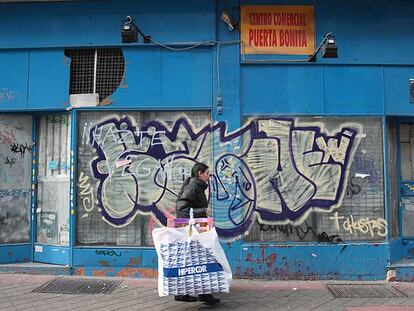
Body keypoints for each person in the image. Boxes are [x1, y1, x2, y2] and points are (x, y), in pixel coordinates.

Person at [174, 162, 221, 305]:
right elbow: (181, 208)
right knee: (202, 259)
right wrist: (201, 212)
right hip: (193, 231)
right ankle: (202, 294)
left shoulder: (197, 186)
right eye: (207, 173)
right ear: (200, 173)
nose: (208, 175)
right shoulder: (193, 187)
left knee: (195, 261)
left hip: (195, 230)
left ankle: (190, 293)